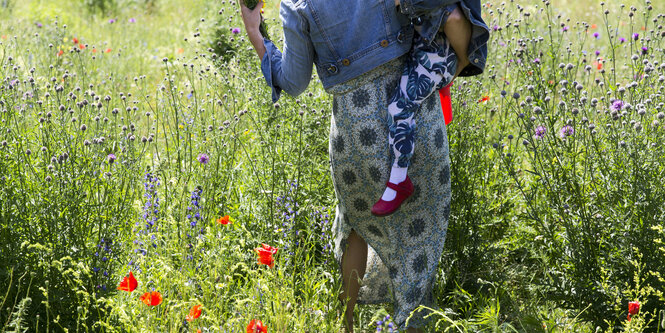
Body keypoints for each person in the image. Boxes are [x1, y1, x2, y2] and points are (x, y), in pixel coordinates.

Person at [240, 0, 489, 332]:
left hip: (354, 132)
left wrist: (256, 33)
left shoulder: (296, 5)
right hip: (415, 118)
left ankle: (345, 325)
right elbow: (452, 16)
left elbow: (293, 83)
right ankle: (411, 323)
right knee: (419, 233)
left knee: (355, 222)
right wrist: (451, 67)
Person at [371, 1, 481, 217]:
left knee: (399, 107)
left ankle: (399, 179)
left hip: (438, 54)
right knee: (399, 104)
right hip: (423, 48)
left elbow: (455, 18)